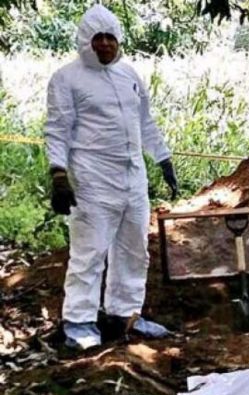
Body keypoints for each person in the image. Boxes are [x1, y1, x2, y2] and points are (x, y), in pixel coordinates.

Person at [45, 5, 178, 349]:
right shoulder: (66, 78)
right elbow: (58, 129)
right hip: (92, 180)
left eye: (110, 37)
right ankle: (79, 322)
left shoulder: (129, 75)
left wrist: (163, 158)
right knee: (89, 253)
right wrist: (58, 174)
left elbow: (145, 122)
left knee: (134, 250)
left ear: (119, 40)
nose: (105, 44)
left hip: (133, 178)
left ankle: (125, 314)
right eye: (98, 38)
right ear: (85, 41)